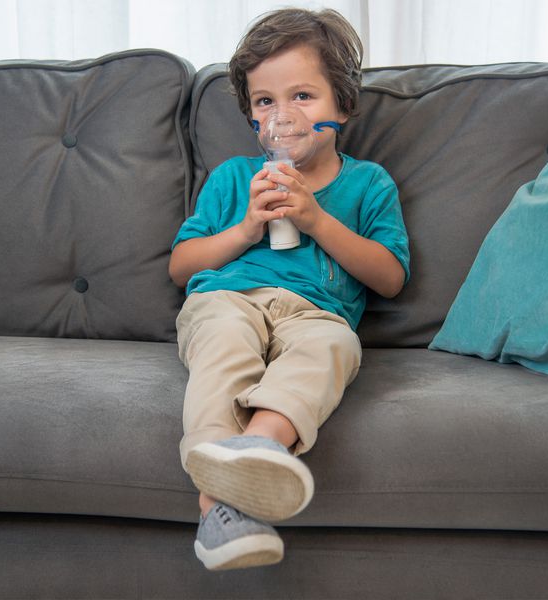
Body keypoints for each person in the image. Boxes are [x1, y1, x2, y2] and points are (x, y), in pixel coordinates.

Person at [168, 7, 410, 571]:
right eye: (264, 101)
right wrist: (246, 228)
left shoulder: (368, 184)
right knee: (224, 343)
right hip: (229, 299)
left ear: (341, 106)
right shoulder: (234, 178)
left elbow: (391, 278)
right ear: (251, 115)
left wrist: (318, 221)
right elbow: (181, 266)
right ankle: (221, 502)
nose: (283, 116)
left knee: (334, 347)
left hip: (316, 315)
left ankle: (257, 448)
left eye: (302, 96)